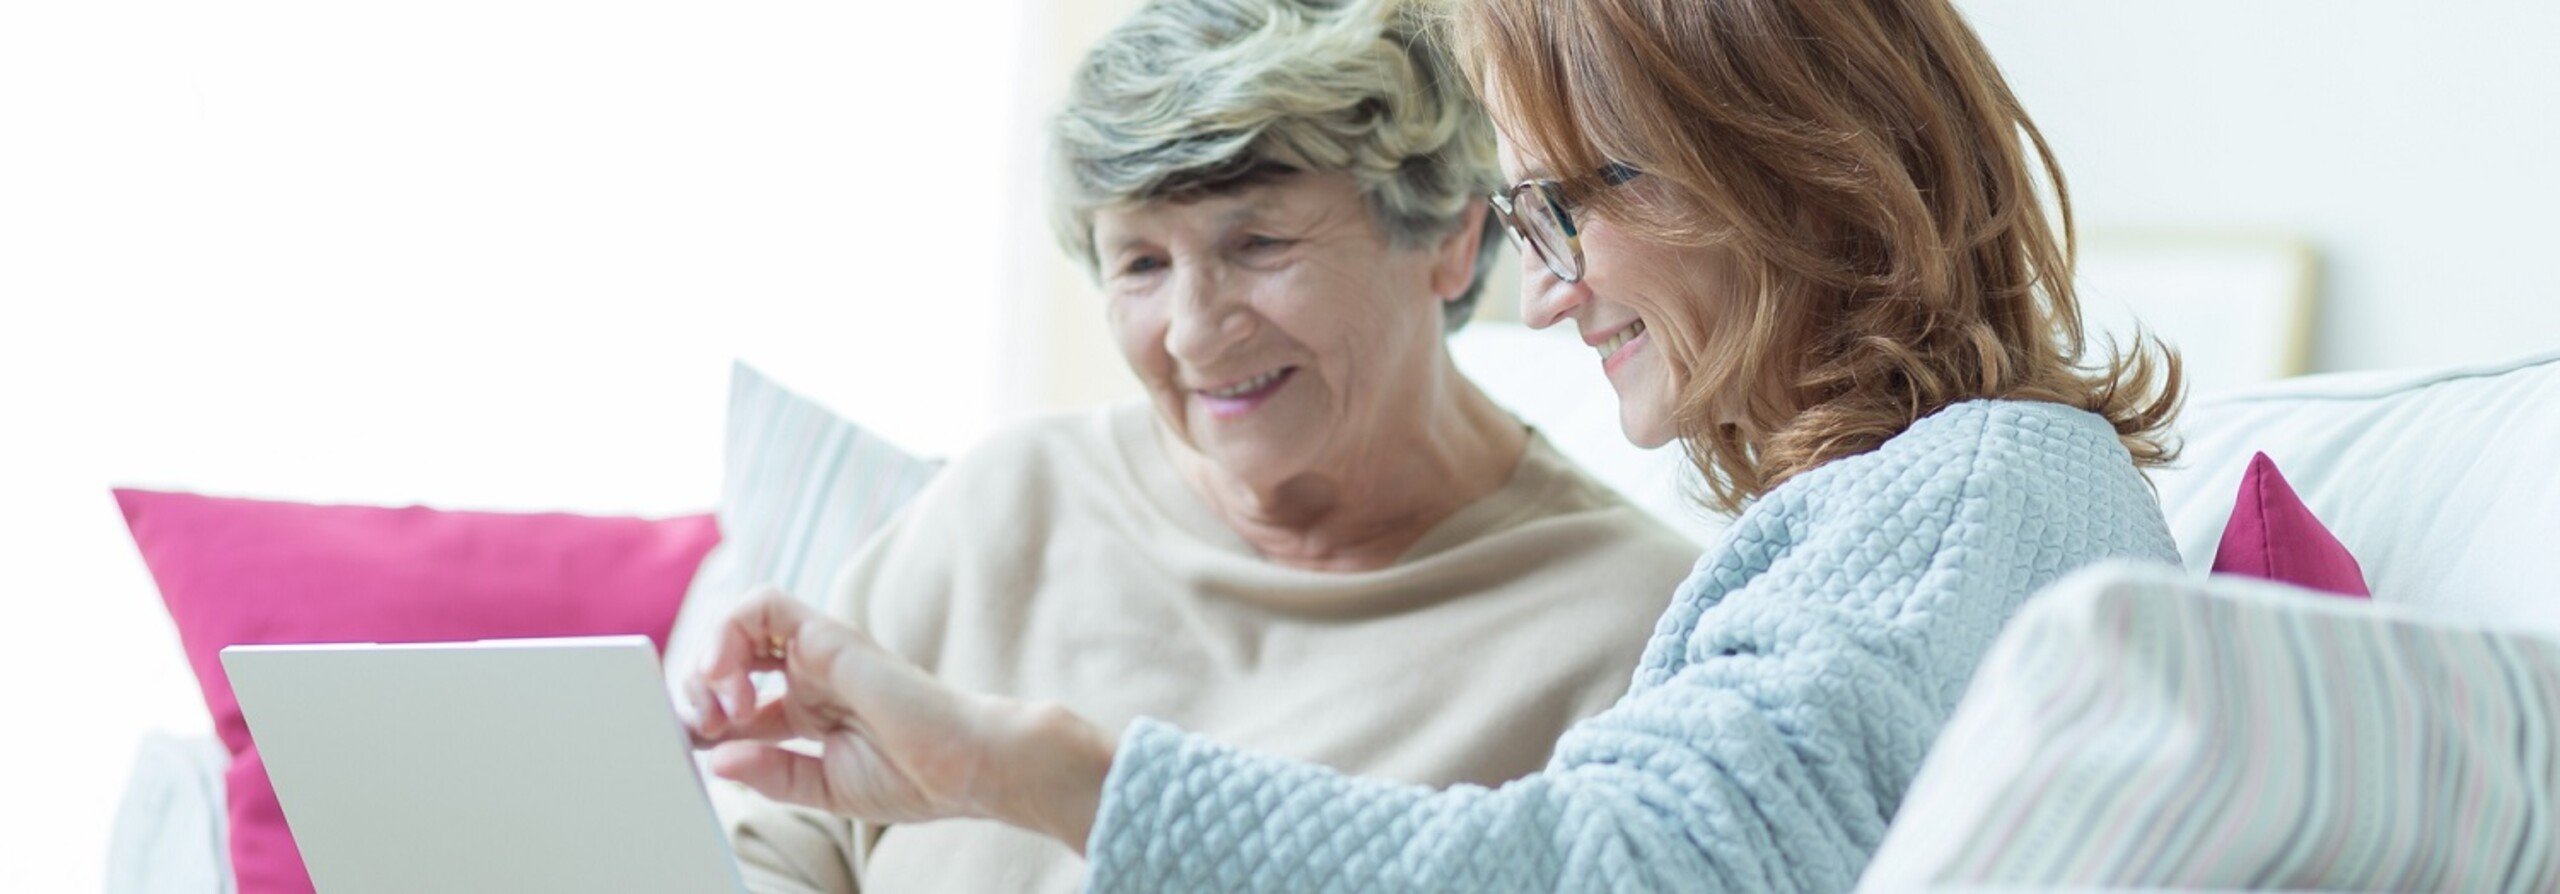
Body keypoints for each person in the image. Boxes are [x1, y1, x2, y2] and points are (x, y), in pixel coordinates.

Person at [686, 0, 2188, 890]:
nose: (1543, 296)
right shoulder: (1921, 508)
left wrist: (1047, 773)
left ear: (1775, 172)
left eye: (1564, 213)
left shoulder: (1966, 491)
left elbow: (1610, 871)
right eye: (1136, 262)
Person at [701, 0, 1700, 890]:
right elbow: (774, 854)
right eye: (1138, 262)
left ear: (1445, 239)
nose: (1189, 329)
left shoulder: (1633, 623)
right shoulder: (1004, 504)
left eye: (1256, 246)